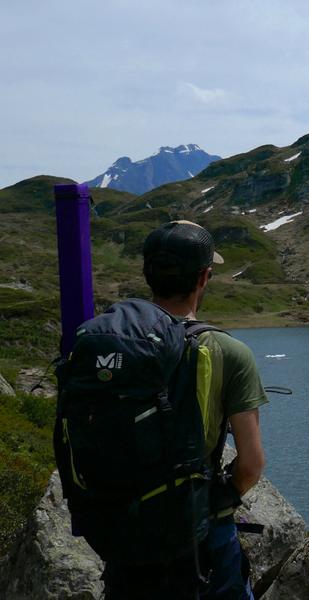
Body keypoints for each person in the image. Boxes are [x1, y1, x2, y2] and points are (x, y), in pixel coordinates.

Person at [101, 220, 268, 599]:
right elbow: (251, 465)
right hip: (202, 534)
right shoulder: (229, 352)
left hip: (125, 533)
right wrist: (217, 498)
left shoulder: (112, 342)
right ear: (204, 277)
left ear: (148, 274)